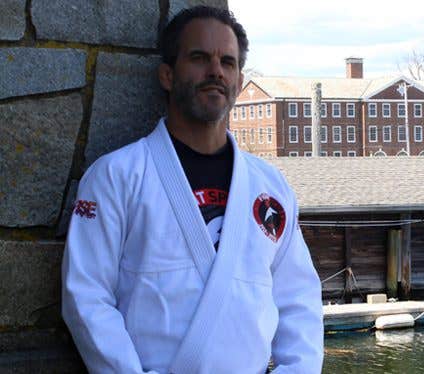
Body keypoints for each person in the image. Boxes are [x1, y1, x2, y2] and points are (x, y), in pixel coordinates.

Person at [61, 6, 324, 373]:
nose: (216, 71)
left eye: (228, 62)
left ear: (238, 79)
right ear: (167, 75)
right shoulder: (116, 176)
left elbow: (299, 301)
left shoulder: (271, 187)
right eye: (200, 58)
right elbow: (86, 297)